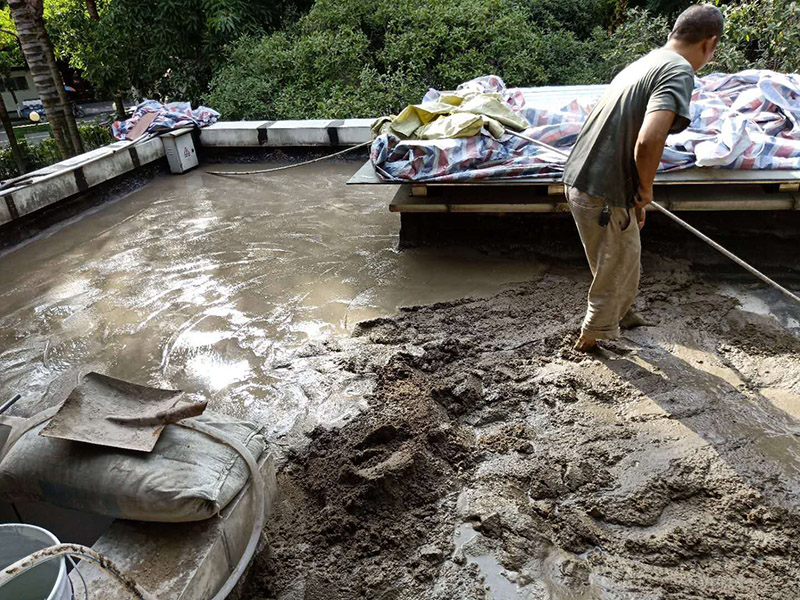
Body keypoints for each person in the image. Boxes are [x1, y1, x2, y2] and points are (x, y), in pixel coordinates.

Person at [562, 4, 724, 352]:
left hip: (585, 177)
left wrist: (634, 193)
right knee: (616, 264)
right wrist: (646, 189)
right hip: (603, 187)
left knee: (625, 253)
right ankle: (592, 338)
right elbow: (649, 140)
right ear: (709, 44)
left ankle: (622, 314)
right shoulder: (679, 70)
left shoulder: (649, 60)